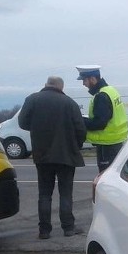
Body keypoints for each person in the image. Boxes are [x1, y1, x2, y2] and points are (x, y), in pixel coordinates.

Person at [18, 76, 86, 239]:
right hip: (66, 155)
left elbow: (22, 122)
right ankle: (68, 228)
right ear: (61, 87)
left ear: (46, 84)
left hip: (42, 154)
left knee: (44, 194)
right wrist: (76, 145)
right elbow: (81, 129)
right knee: (65, 193)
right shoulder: (69, 103)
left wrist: (36, 127)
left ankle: (44, 230)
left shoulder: (32, 99)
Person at [76, 64, 128, 172]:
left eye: (84, 80)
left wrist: (79, 119)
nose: (83, 84)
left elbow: (99, 124)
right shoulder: (111, 90)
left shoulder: (101, 96)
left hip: (107, 144)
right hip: (116, 141)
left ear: (92, 79)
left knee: (105, 175)